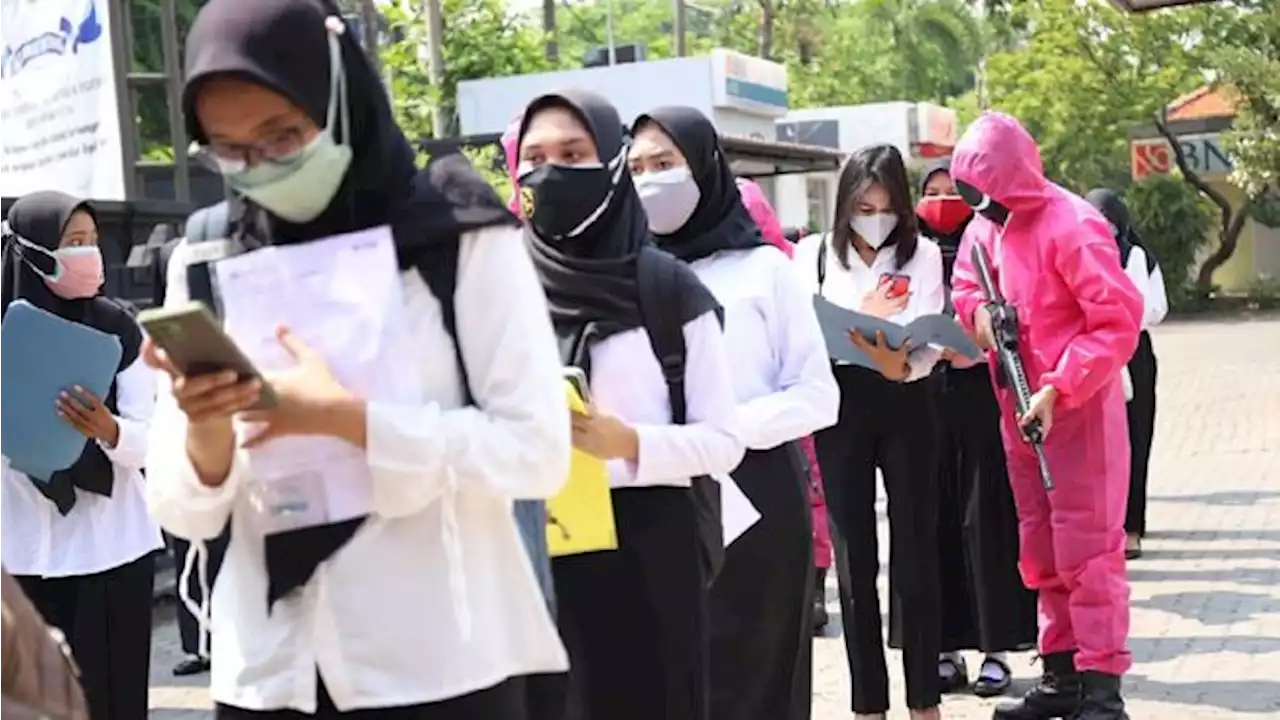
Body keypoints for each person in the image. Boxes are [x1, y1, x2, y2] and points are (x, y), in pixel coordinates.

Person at [143, 1, 571, 717]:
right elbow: (182, 509)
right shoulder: (208, 256)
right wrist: (206, 428)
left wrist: (352, 421)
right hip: (270, 671)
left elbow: (537, 452)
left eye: (282, 136)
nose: (261, 167)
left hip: (435, 667)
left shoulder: (455, 239)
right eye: (230, 150)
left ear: (340, 95)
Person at [516, 89, 745, 720]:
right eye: (534, 157)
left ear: (611, 162)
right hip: (536, 546)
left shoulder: (666, 288)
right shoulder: (501, 287)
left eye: (573, 152)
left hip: (651, 546)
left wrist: (631, 444)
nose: (551, 171)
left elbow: (725, 439)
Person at [629, 106, 838, 720]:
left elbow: (818, 394)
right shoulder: (625, 274)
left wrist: (722, 433)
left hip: (757, 499)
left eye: (665, 164)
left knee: (754, 681)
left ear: (704, 167)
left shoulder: (764, 269)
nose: (649, 180)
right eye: (636, 167)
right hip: (658, 498)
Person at [949, 111, 1143, 720]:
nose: (980, 206)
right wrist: (982, 320)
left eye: (986, 192)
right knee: (1041, 546)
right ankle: (1060, 675)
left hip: (1078, 413)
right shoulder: (986, 229)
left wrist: (1059, 387)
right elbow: (965, 288)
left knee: (1090, 551)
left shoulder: (1073, 224)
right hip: (1017, 407)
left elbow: (1116, 322)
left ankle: (1102, 690)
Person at [794, 144, 947, 720]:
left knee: (915, 552)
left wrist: (898, 362)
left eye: (885, 207)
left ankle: (924, 700)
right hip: (842, 409)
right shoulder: (811, 256)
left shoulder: (923, 255)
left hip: (907, 399)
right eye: (863, 205)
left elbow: (929, 336)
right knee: (855, 560)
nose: (873, 218)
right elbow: (801, 336)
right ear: (844, 203)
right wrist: (863, 318)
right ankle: (867, 704)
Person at [0, 191, 159, 720]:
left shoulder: (119, 328)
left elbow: (156, 436)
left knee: (112, 699)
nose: (87, 255)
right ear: (32, 249)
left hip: (109, 548)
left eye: (92, 242)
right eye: (72, 243)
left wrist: (110, 430)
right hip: (19, 549)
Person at [914, 159, 1037, 697]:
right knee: (931, 519)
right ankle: (941, 647)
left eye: (952, 191)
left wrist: (976, 343)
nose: (942, 201)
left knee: (985, 519)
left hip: (982, 395)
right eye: (931, 192)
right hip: (920, 399)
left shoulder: (991, 245)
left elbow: (1018, 311)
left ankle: (995, 649)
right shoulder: (907, 255)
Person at [736, 183, 833, 635]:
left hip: (790, 412)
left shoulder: (781, 269)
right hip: (751, 420)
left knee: (813, 499)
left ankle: (813, 585)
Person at [1085, 189, 1167, 561]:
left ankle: (1131, 527)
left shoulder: (1136, 257)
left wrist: (1115, 311)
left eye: (1108, 220)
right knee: (1095, 447)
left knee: (1135, 439)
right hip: (1091, 354)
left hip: (1133, 354)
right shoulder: (1078, 255)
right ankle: (1101, 526)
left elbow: (1152, 308)